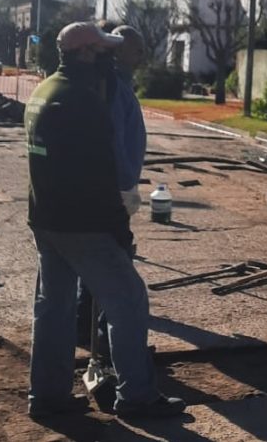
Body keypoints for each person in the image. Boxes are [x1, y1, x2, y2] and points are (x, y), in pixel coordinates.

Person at [25, 22, 185, 418]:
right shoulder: (83, 101)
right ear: (84, 54)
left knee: (54, 308)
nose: (108, 60)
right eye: (102, 52)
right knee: (128, 300)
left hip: (46, 218)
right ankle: (137, 397)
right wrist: (117, 223)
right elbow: (100, 169)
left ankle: (46, 397)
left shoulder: (43, 92)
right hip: (84, 223)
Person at [76, 25, 148, 356]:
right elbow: (115, 142)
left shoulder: (114, 84)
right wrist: (124, 191)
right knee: (117, 269)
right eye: (137, 49)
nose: (142, 55)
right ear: (118, 50)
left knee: (97, 261)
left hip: (111, 187)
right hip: (114, 190)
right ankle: (109, 345)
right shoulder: (114, 86)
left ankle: (84, 326)